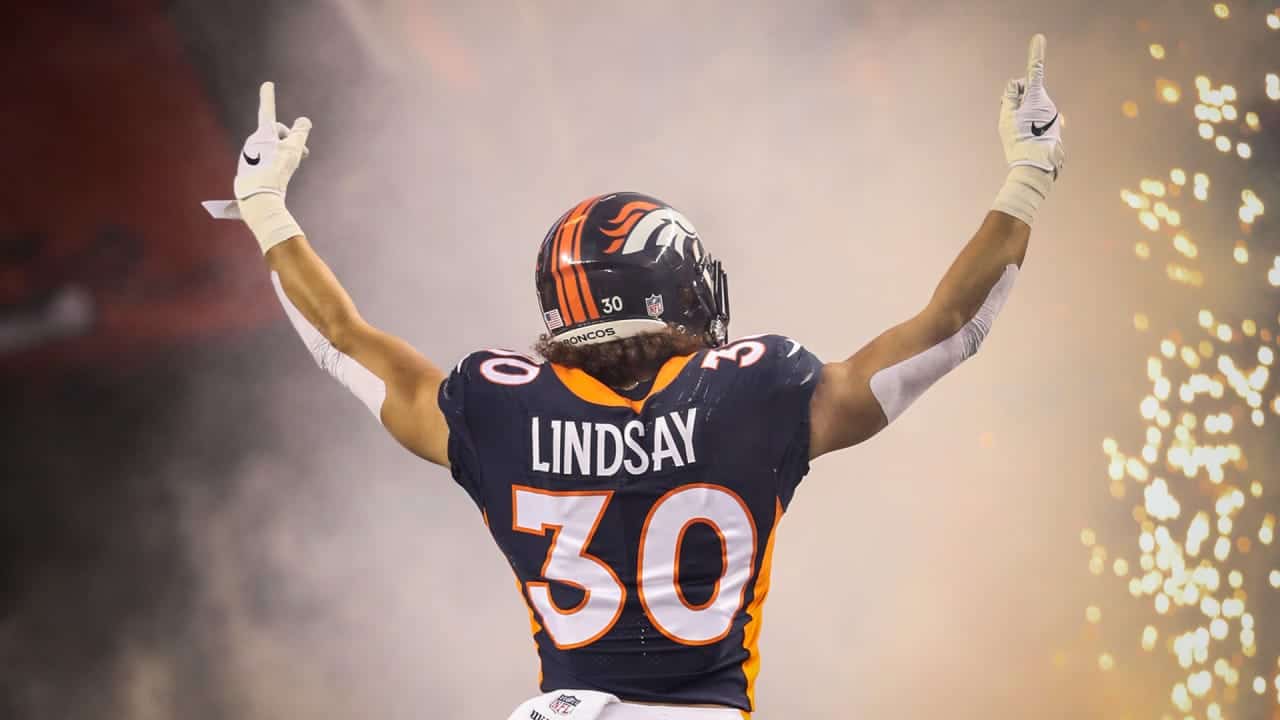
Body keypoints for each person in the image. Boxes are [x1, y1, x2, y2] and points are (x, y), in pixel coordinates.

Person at [205, 33, 1064, 720]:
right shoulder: (757, 391)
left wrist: (267, 212)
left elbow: (341, 339)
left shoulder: (494, 407)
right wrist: (1027, 176)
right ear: (676, 290)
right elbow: (952, 326)